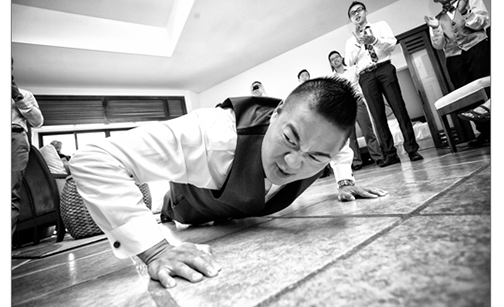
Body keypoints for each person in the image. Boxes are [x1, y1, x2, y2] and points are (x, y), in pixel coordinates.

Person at [70, 77, 388, 288]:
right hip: (189, 206)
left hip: (244, 208)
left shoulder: (327, 142)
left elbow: (342, 149)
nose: (293, 163)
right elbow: (93, 159)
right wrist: (153, 251)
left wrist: (344, 182)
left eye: (316, 156)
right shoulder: (212, 134)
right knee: (174, 209)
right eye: (290, 138)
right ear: (276, 113)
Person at [345, 1, 423, 167]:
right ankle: (389, 154)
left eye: (359, 10)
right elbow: (349, 61)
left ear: (365, 11)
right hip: (365, 76)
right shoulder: (350, 41)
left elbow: (392, 45)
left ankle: (412, 149)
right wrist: (359, 42)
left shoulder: (380, 26)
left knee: (399, 109)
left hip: (384, 68)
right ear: (351, 19)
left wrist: (374, 40)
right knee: (378, 117)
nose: (357, 14)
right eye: (353, 13)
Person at [424, 0, 491, 147]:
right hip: (454, 59)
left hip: (478, 50)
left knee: (489, 90)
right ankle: (486, 133)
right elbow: (438, 45)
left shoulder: (473, 0)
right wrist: (435, 28)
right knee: (468, 97)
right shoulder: (437, 19)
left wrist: (464, 11)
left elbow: (482, 23)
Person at [328, 50, 383, 170]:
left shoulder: (353, 69)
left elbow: (363, 83)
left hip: (357, 102)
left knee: (367, 131)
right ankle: (356, 162)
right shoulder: (331, 79)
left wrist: (362, 95)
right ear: (331, 63)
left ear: (341, 58)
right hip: (343, 107)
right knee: (350, 136)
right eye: (332, 59)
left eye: (337, 57)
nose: (335, 60)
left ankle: (378, 157)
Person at [11, 59, 44, 234]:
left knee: (10, 192)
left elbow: (38, 121)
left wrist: (17, 97)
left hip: (15, 137)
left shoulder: (25, 94)